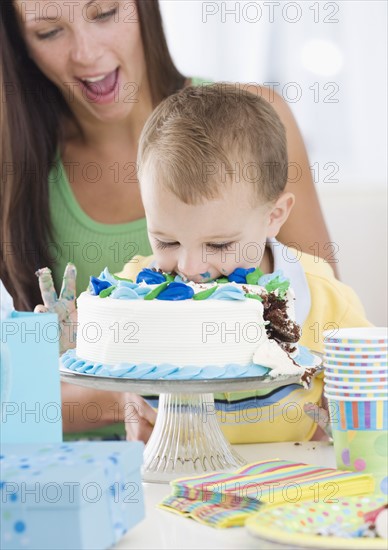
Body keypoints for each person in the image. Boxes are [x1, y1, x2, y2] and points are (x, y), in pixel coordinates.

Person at [2, 0, 337, 439]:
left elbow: (327, 337)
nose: (85, 52)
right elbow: (17, 403)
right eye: (49, 32)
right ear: (19, 43)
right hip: (99, 474)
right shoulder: (15, 163)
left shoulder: (256, 126)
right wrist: (137, 389)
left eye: (103, 12)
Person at [37, 84, 371, 444]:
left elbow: (368, 378)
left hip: (287, 477)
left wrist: (346, 424)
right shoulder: (130, 295)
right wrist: (71, 342)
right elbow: (86, 361)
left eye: (219, 244)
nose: (191, 265)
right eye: (167, 240)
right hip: (173, 477)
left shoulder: (319, 294)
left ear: (274, 216)